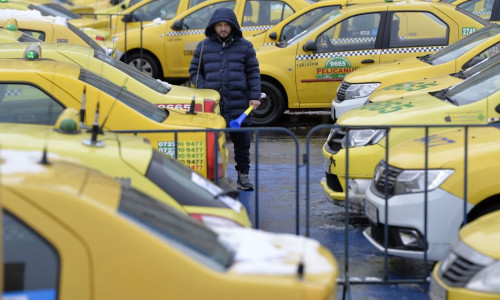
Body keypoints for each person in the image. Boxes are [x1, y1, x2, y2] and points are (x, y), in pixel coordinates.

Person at [189, 7, 261, 191]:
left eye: (226, 25)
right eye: (219, 25)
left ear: (232, 27)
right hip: (213, 106)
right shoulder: (203, 46)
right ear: (213, 27)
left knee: (242, 144)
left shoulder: (245, 46)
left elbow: (253, 72)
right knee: (212, 143)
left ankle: (243, 176)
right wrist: (204, 89)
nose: (222, 29)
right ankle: (214, 178)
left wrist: (254, 96)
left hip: (239, 103)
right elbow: (194, 72)